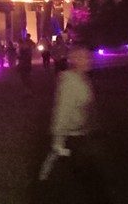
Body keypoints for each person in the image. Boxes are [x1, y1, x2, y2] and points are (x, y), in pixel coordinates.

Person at [40, 46, 109, 202]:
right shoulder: (70, 82)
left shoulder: (82, 79)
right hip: (73, 138)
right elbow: (62, 112)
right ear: (75, 61)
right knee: (85, 180)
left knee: (86, 179)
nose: (89, 60)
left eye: (89, 57)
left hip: (84, 134)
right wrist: (58, 142)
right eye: (85, 58)